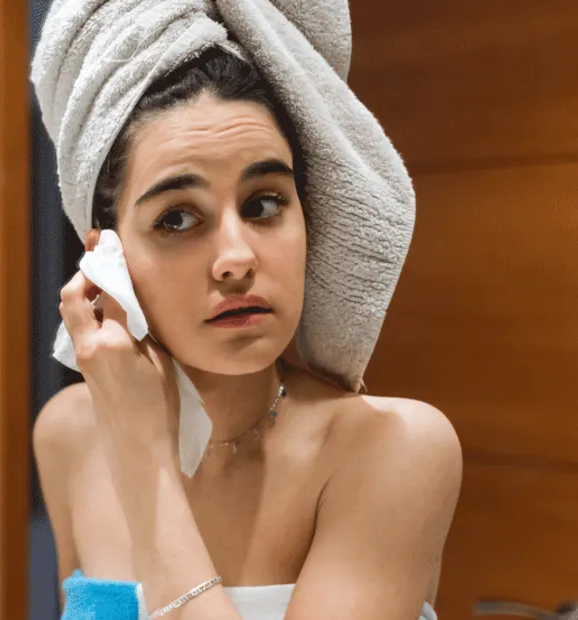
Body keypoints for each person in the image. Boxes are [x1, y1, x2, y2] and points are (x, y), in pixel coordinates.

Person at [33, 44, 463, 620]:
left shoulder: (392, 450)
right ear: (105, 257)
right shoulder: (70, 434)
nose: (235, 257)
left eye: (263, 204)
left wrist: (144, 461)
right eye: (177, 218)